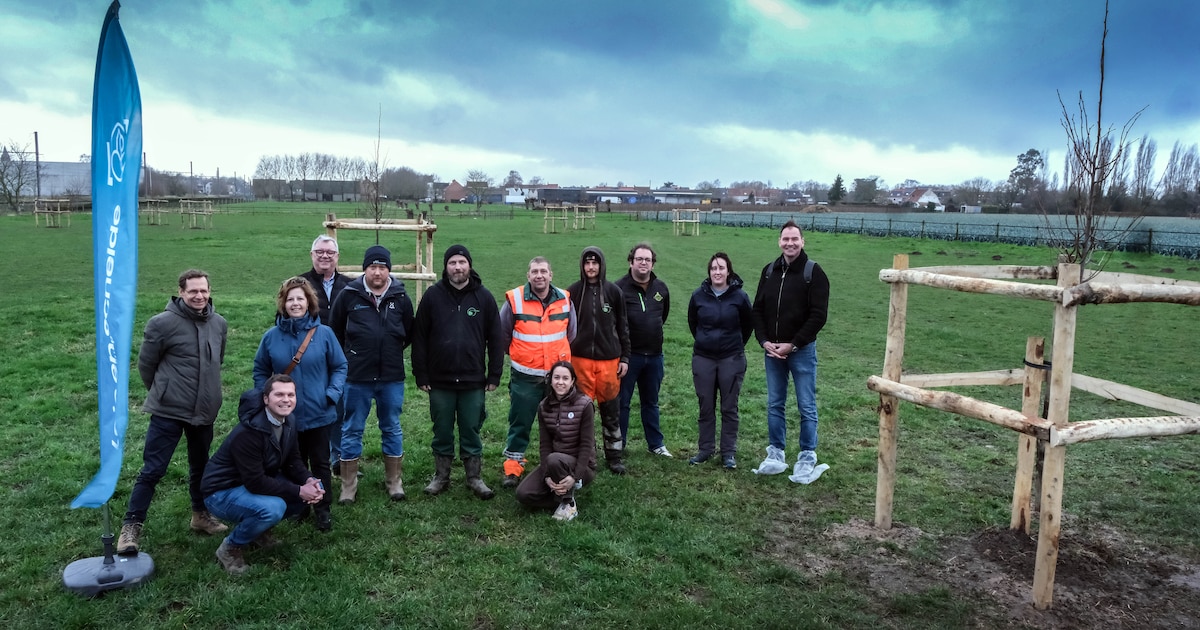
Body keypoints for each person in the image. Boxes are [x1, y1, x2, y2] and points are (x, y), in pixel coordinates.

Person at [118, 269, 228, 556]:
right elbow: (146, 366)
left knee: (201, 466)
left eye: (203, 290)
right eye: (193, 291)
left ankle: (200, 515)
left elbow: (218, 361)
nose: (199, 296)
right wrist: (164, 392)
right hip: (169, 410)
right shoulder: (161, 324)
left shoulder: (219, 324)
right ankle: (131, 526)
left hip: (205, 410)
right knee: (153, 469)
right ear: (180, 292)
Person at [201, 376, 325, 575]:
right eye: (279, 394)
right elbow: (255, 482)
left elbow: (293, 460)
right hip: (220, 492)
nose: (286, 399)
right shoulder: (248, 433)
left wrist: (309, 481)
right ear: (266, 399)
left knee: (299, 498)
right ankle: (229, 548)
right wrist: (299, 490)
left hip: (251, 484)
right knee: (274, 508)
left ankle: (258, 532)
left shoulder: (289, 421)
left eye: (290, 395)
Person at [252, 277, 347, 531]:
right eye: (290, 299)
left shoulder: (324, 334)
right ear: (283, 304)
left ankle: (323, 508)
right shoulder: (271, 337)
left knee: (320, 462)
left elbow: (340, 366)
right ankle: (300, 504)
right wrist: (267, 399)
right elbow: (260, 369)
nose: (295, 303)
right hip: (285, 416)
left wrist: (332, 394)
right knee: (293, 463)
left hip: (319, 411)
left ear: (309, 302)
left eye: (300, 299)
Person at [411, 244, 504, 500]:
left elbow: (496, 338)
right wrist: (421, 373)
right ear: (446, 267)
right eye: (452, 263)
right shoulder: (432, 296)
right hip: (439, 380)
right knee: (441, 428)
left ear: (469, 265)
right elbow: (419, 338)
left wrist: (495, 373)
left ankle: (474, 477)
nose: (457, 267)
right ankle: (441, 476)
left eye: (462, 262)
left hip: (473, 380)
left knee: (471, 427)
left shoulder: (483, 298)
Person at [330, 245, 415, 502]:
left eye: (382, 267)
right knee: (352, 428)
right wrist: (352, 355)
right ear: (364, 268)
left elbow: (409, 332)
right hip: (357, 377)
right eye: (372, 267)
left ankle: (394, 482)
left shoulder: (400, 297)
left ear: (389, 269)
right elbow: (335, 331)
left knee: (391, 427)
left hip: (391, 376)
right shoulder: (349, 295)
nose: (377, 272)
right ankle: (348, 485)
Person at [751, 220, 831, 483]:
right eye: (785, 239)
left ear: (802, 241)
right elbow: (758, 310)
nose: (790, 243)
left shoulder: (814, 273)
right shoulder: (768, 272)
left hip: (801, 351)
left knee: (806, 406)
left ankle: (807, 455)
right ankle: (776, 453)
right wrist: (764, 341)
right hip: (772, 351)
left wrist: (794, 343)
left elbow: (818, 316)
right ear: (779, 241)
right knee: (775, 404)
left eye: (794, 239)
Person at [499, 256, 577, 487]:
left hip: (557, 378)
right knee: (520, 422)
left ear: (551, 274)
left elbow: (571, 333)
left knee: (560, 423)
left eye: (543, 271)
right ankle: (513, 467)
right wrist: (521, 355)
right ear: (528, 275)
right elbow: (502, 334)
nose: (539, 275)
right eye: (534, 272)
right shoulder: (514, 300)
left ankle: (557, 464)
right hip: (525, 376)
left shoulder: (564, 299)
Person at [687, 252, 754, 469]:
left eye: (721, 268)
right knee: (706, 406)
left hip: (731, 358)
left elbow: (747, 325)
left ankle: (728, 453)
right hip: (704, 358)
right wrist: (705, 341)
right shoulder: (698, 296)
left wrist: (733, 345)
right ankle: (705, 449)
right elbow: (692, 323)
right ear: (709, 272)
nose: (717, 272)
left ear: (728, 271)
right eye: (714, 268)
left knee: (729, 407)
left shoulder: (740, 297)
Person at [567, 247, 630, 474]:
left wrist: (624, 357)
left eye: (595, 263)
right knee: (584, 413)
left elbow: (623, 327)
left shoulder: (614, 292)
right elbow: (564, 326)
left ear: (601, 265)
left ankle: (614, 456)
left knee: (611, 412)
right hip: (580, 361)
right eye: (587, 263)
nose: (591, 267)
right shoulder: (572, 292)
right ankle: (588, 458)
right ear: (582, 266)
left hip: (609, 362)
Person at [515, 361, 596, 522]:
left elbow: (587, 445)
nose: (560, 382)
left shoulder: (585, 404)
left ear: (573, 381)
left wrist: (576, 476)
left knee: (554, 459)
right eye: (556, 377)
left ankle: (568, 502)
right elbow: (544, 445)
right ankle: (558, 496)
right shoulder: (544, 406)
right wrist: (547, 477)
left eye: (565, 378)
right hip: (553, 463)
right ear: (550, 380)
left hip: (581, 465)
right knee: (523, 494)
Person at [299, 234, 351, 471]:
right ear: (312, 255)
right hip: (309, 360)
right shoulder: (299, 284)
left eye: (330, 252)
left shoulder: (351, 286)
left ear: (337, 257)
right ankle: (304, 459)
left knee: (339, 410)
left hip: (341, 359)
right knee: (309, 411)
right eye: (320, 252)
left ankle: (338, 457)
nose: (325, 256)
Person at [615, 243, 672, 458]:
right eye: (639, 259)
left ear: (653, 263)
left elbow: (662, 316)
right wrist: (623, 355)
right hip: (629, 358)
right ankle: (619, 443)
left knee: (651, 402)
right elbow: (615, 323)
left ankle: (656, 444)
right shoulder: (618, 288)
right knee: (623, 403)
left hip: (655, 356)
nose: (643, 263)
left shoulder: (661, 288)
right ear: (631, 261)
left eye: (647, 260)